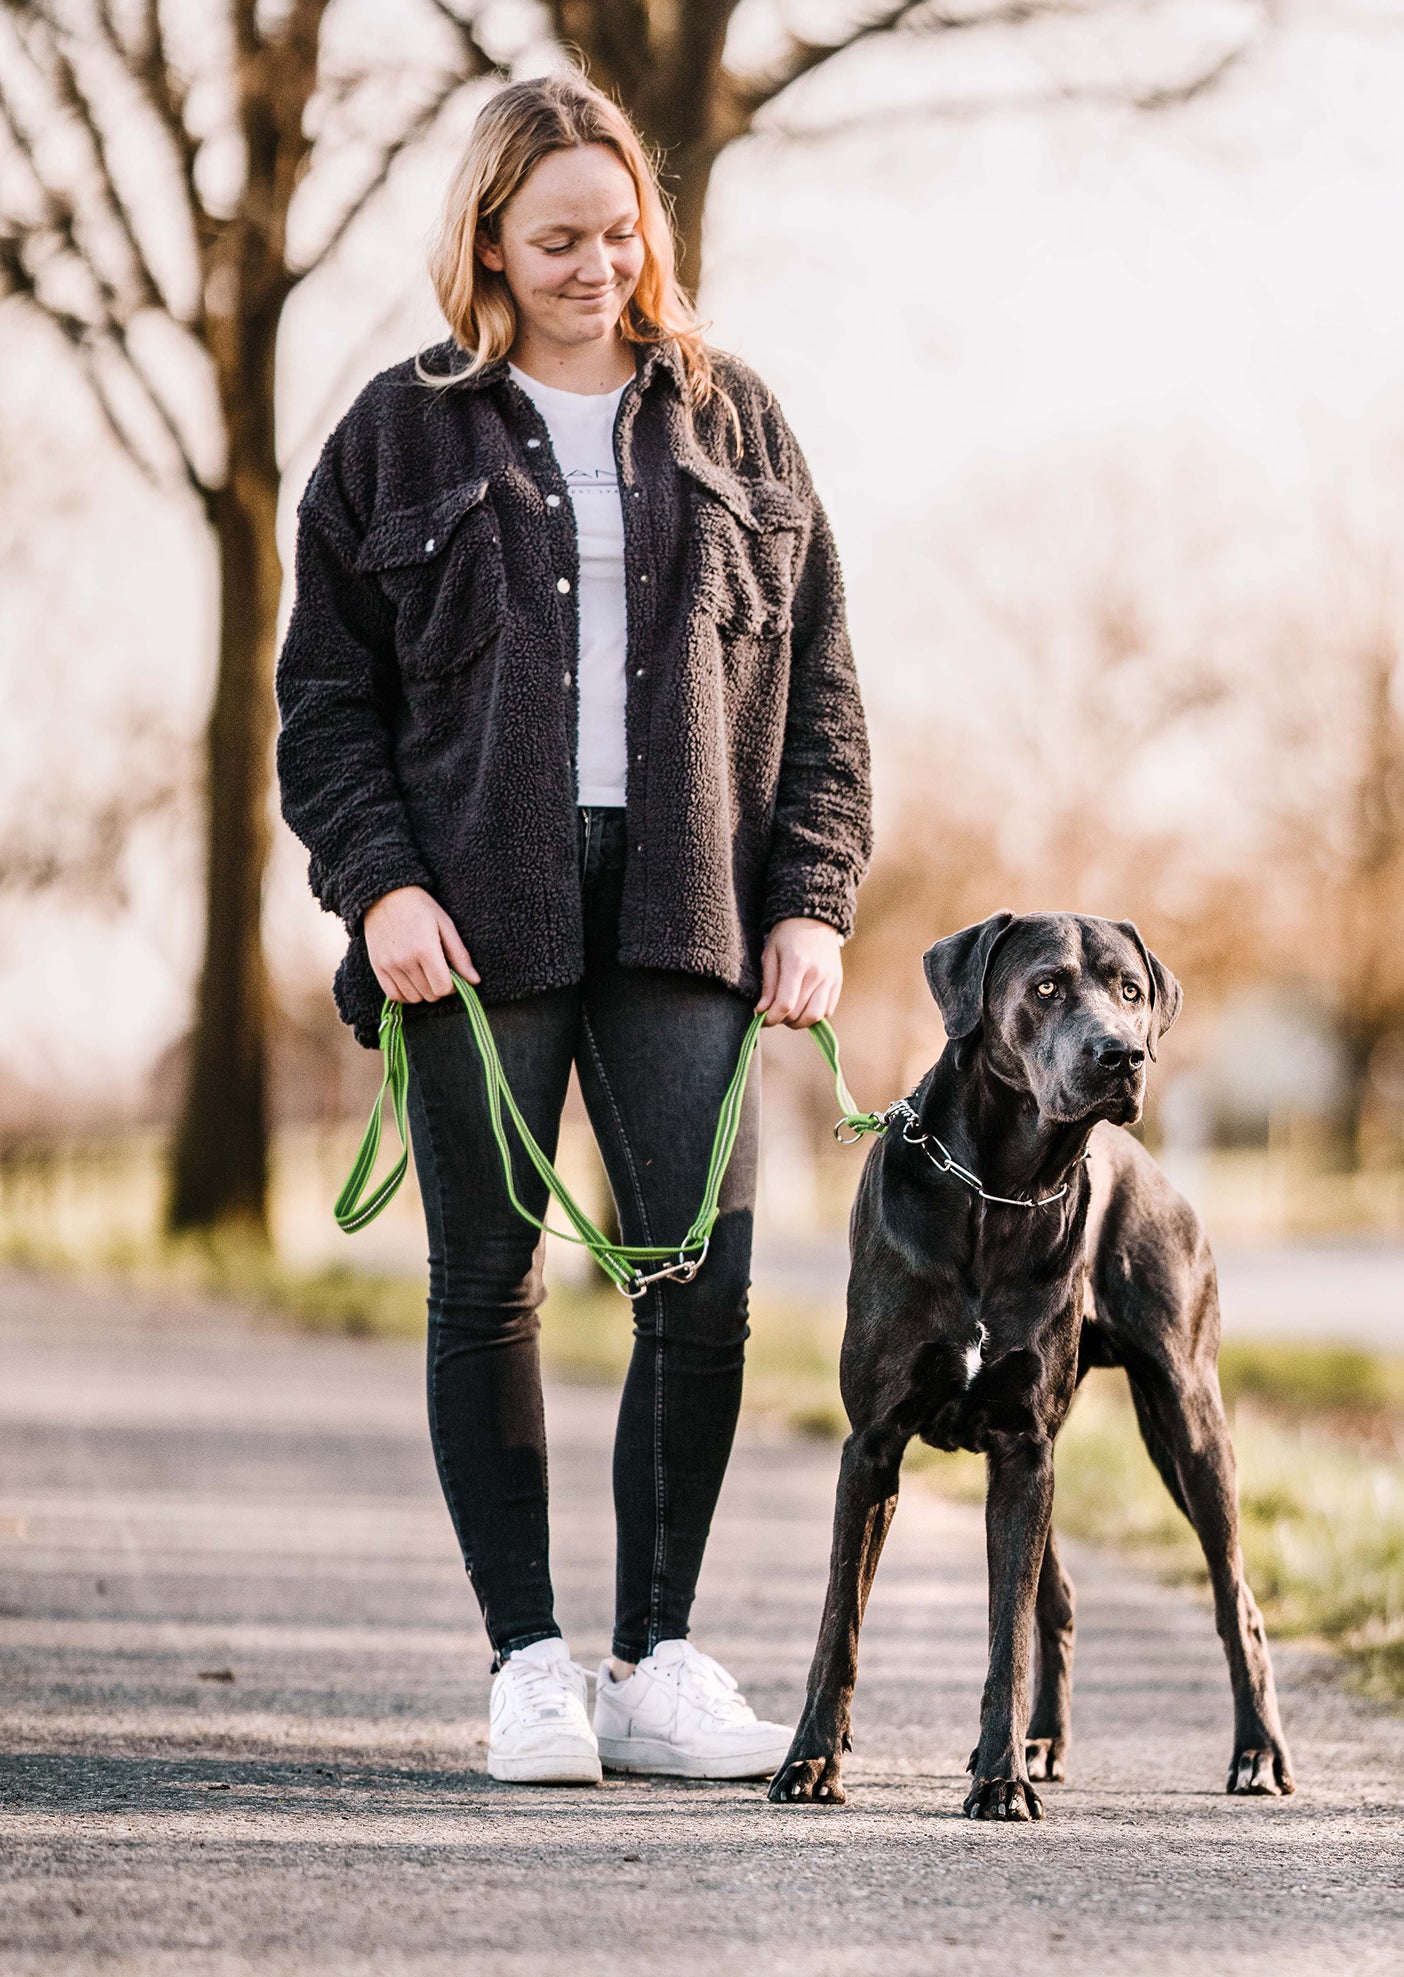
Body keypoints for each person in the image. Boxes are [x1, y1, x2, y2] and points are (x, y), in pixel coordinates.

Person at [275, 71, 871, 1787]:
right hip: (474, 918)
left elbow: (824, 690)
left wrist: (812, 899)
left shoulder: (739, 422)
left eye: (621, 233)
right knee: (489, 1286)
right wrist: (378, 881)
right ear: (486, 240)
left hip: (693, 906)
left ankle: (660, 1659)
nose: (596, 265)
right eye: (557, 239)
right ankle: (530, 1666)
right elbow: (326, 703)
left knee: (706, 1284)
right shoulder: (396, 436)